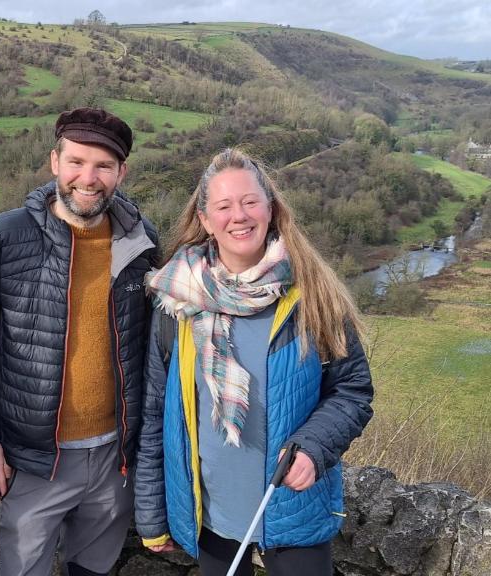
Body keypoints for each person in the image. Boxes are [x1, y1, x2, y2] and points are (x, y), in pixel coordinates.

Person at [135, 148, 374, 575]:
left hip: (293, 508)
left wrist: (313, 447)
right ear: (205, 219)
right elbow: (155, 413)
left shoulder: (313, 295)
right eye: (224, 206)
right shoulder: (176, 302)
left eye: (250, 202)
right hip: (211, 513)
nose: (239, 216)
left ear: (271, 209)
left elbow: (351, 391)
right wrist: (152, 514)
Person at [0, 107, 158, 576]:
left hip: (114, 457)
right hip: (35, 458)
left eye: (103, 166)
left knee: (93, 569)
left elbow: (152, 340)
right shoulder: (7, 236)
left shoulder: (141, 240)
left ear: (122, 172)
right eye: (76, 162)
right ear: (54, 161)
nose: (88, 178)